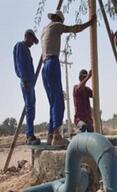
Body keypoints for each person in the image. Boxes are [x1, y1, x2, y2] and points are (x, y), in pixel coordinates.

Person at [41, 10, 95, 146]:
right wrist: (89, 23)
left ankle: (50, 135)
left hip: (44, 66)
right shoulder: (56, 25)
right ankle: (57, 136)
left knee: (53, 102)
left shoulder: (44, 30)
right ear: (59, 19)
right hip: (52, 63)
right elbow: (75, 29)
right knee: (59, 102)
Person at [13, 29, 41, 145]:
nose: (32, 44)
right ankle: (29, 135)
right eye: (32, 41)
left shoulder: (27, 50)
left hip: (30, 82)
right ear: (27, 36)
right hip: (26, 82)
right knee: (29, 107)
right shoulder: (20, 46)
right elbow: (20, 65)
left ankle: (31, 134)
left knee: (32, 107)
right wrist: (25, 80)